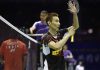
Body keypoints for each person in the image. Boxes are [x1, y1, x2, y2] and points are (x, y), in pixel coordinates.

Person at [42, 1, 79, 70]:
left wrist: (75, 14)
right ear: (49, 23)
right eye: (56, 21)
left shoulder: (60, 33)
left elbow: (75, 27)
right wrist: (68, 35)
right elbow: (56, 46)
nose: (59, 23)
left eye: (59, 21)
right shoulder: (46, 37)